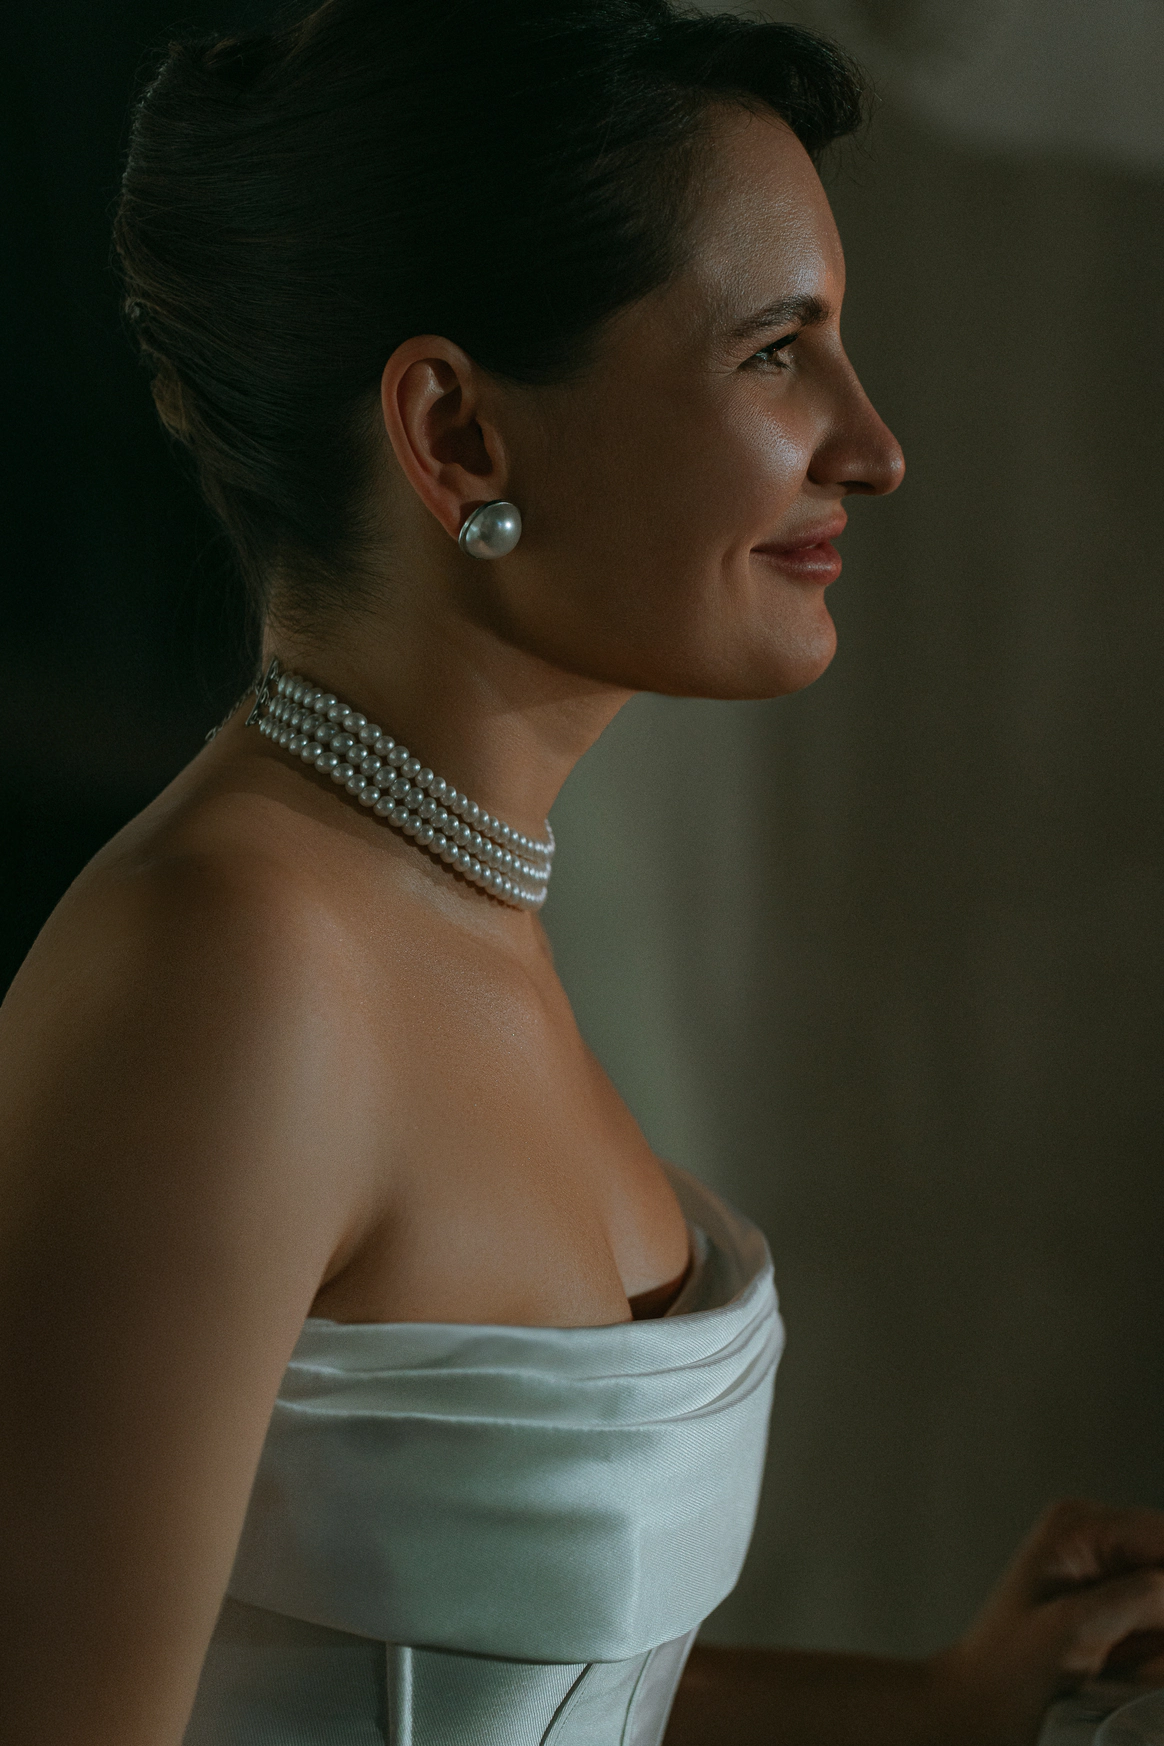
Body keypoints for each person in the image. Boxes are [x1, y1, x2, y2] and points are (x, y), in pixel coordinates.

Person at [2, 1, 1163, 1741]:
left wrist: (937, 1702)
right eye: (774, 352)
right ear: (458, 434)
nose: (870, 445)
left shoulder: (452, 905)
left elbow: (483, 1654)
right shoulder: (230, 969)